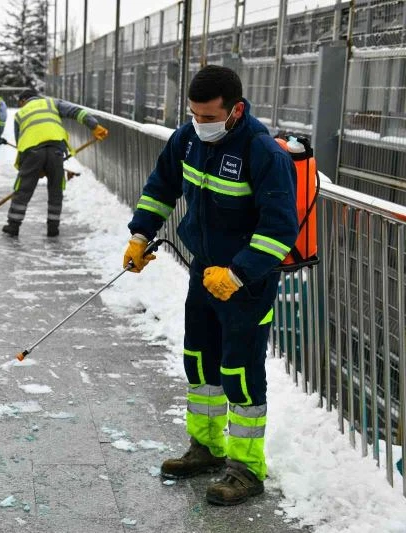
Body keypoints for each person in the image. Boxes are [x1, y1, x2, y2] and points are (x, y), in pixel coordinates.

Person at [122, 65, 298, 505]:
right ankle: (206, 447)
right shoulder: (187, 139)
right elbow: (161, 187)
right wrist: (141, 235)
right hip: (204, 271)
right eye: (194, 114)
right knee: (200, 361)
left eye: (209, 116)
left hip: (247, 281)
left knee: (240, 370)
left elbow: (280, 229)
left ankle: (246, 468)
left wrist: (237, 273)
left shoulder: (262, 152)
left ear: (235, 110)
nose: (200, 123)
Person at [2, 89, 108, 237]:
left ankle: (13, 226)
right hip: (56, 149)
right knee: (55, 190)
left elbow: (21, 144)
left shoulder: (20, 114)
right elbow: (76, 112)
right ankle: (53, 228)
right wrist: (94, 126)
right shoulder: (52, 103)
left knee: (23, 189)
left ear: (23, 100)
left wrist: (31, 168)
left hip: (32, 152)